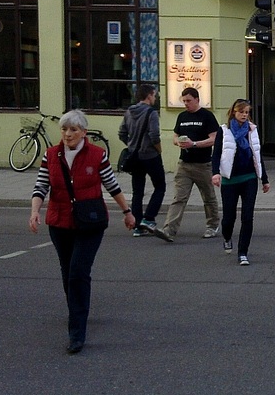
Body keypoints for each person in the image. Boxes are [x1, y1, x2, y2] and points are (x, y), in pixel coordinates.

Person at [28, 109, 137, 354]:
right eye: (65, 129)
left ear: (83, 133)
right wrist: (35, 212)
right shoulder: (51, 155)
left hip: (90, 222)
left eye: (73, 130)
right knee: (68, 273)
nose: (68, 134)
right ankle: (78, 308)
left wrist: (127, 212)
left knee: (78, 271)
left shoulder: (97, 155)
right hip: (59, 222)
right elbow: (41, 185)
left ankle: (76, 331)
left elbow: (112, 185)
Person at [155, 87, 221, 243]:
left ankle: (212, 225)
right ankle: (169, 230)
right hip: (184, 164)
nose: (186, 104)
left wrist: (195, 144)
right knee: (179, 198)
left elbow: (214, 139)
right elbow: (175, 136)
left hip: (203, 165)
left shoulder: (207, 116)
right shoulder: (182, 116)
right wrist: (178, 142)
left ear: (197, 100)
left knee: (209, 197)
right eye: (184, 101)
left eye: (189, 101)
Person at [212, 99, 270, 265]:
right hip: (230, 179)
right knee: (229, 218)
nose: (244, 115)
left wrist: (264, 179)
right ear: (234, 112)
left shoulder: (252, 130)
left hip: (249, 178)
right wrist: (215, 173)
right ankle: (227, 236)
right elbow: (216, 154)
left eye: (246, 112)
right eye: (241, 112)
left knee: (247, 216)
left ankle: (243, 252)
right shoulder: (224, 130)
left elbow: (257, 155)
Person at [118, 84, 167, 239]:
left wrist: (131, 145)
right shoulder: (151, 113)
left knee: (137, 191)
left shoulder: (129, 112)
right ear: (149, 96)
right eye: (154, 95)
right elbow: (154, 135)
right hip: (150, 155)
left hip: (134, 156)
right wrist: (159, 150)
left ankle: (138, 226)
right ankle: (149, 218)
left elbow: (122, 133)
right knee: (160, 186)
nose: (155, 97)